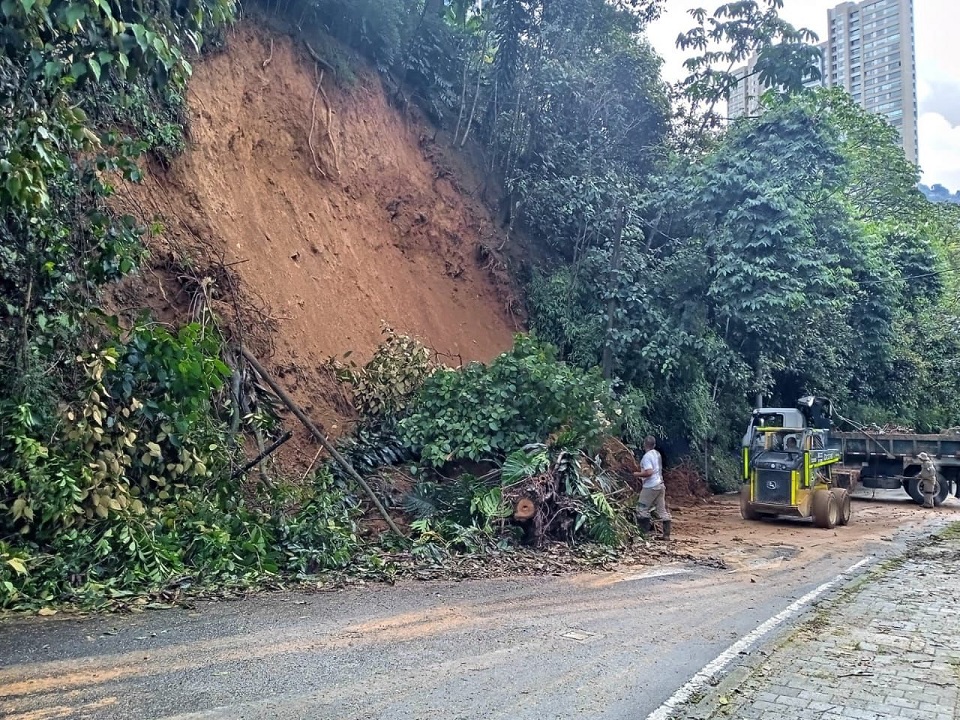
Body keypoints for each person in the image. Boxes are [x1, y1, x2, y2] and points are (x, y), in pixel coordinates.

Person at [633, 435, 671, 540]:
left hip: (650, 487)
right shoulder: (657, 454)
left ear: (644, 444)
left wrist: (637, 474)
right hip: (660, 485)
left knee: (641, 509)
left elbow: (649, 472)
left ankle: (643, 534)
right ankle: (666, 535)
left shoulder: (647, 457)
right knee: (662, 510)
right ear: (654, 445)